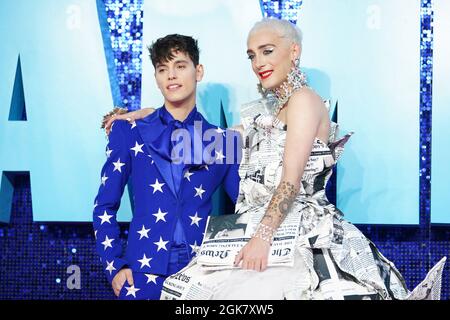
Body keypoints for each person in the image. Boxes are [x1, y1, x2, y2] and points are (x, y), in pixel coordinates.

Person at [105, 19, 446, 300]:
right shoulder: (263, 114)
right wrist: (150, 114)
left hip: (301, 236)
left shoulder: (304, 101)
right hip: (263, 230)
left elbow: (290, 181)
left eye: (267, 51)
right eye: (252, 55)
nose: (259, 63)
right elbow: (196, 144)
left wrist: (261, 238)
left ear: (293, 51)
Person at [93, 34, 241, 300]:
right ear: (157, 79)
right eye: (163, 69)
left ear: (199, 71)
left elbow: (246, 206)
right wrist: (115, 265)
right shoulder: (129, 131)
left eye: (180, 66)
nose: (171, 75)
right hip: (141, 271)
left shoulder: (223, 141)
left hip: (204, 274)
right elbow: (104, 205)